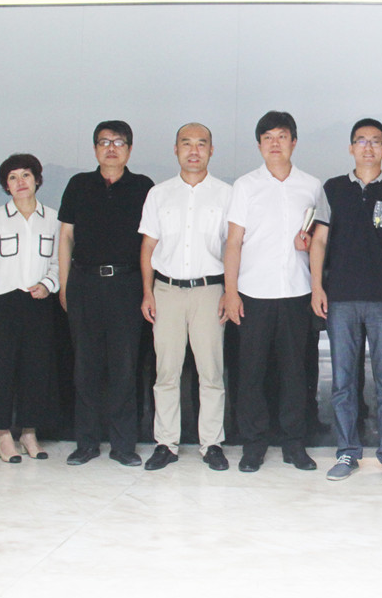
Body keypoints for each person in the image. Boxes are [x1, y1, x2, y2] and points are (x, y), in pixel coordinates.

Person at [310, 118, 382, 483]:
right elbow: (319, 240)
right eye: (361, 141)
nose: (368, 147)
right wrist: (317, 287)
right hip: (341, 298)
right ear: (351, 148)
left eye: (375, 141)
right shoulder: (333, 189)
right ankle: (347, 451)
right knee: (343, 382)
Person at [223, 111, 323, 473]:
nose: (275, 143)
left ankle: (294, 443)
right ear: (259, 145)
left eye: (282, 136)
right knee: (251, 373)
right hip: (253, 293)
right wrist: (230, 292)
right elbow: (234, 242)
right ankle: (254, 444)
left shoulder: (312, 186)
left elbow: (320, 241)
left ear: (294, 142)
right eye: (268, 138)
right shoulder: (245, 186)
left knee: (296, 373)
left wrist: (308, 245)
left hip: (296, 292)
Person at [58, 121, 154, 467]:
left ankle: (123, 445)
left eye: (118, 142)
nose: (111, 148)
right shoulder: (78, 185)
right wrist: (65, 285)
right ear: (95, 148)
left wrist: (147, 290)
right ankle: (86, 443)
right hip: (84, 284)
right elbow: (65, 237)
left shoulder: (143, 187)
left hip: (127, 285)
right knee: (85, 367)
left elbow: (150, 243)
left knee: (125, 367)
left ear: (130, 148)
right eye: (104, 142)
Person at [138, 123, 232, 472]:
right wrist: (147, 292)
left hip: (210, 291)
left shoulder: (226, 194)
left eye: (201, 144)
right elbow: (148, 247)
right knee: (166, 372)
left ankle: (212, 444)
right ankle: (166, 443)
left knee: (211, 372)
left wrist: (230, 292)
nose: (194, 150)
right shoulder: (159, 194)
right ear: (176, 149)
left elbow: (234, 248)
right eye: (186, 144)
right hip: (166, 291)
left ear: (211, 150)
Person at [0, 154, 60, 462]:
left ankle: (29, 433)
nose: (20, 182)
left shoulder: (52, 218)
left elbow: (58, 263)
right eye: (13, 177)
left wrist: (47, 284)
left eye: (26, 175)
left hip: (37, 303)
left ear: (37, 180)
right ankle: (3, 435)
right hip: (1, 302)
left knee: (36, 369)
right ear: (6, 185)